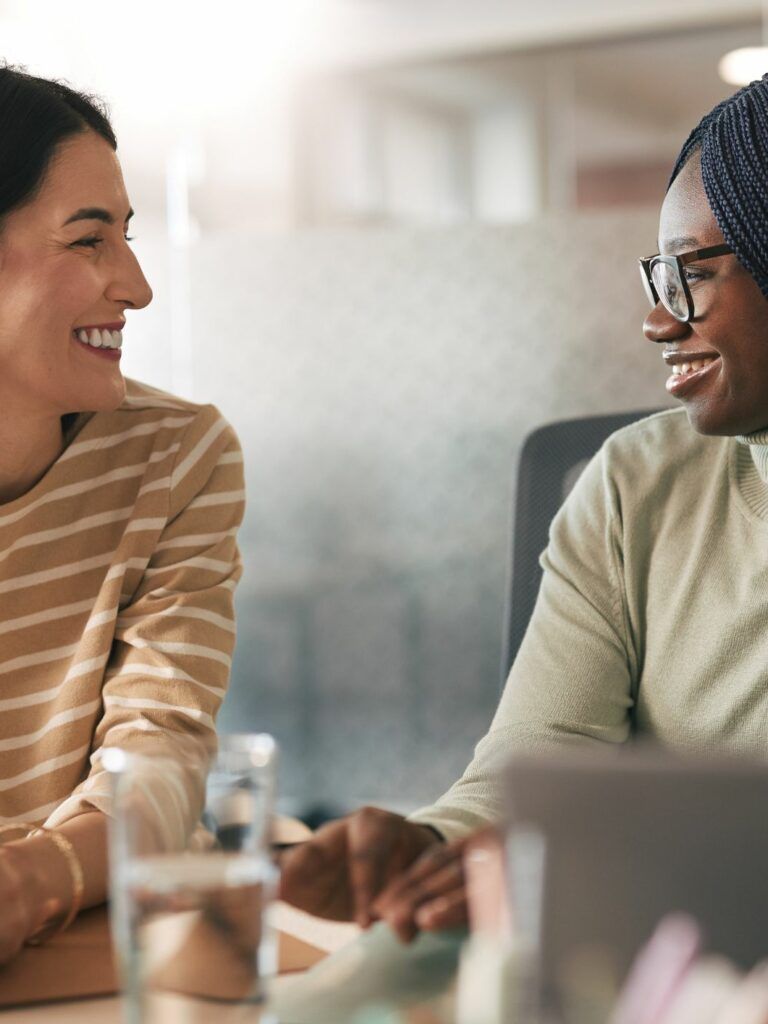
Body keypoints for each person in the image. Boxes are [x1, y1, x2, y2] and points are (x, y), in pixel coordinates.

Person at [280, 74, 768, 941]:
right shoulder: (634, 483)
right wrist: (433, 848)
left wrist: (595, 872)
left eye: (693, 274)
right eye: (659, 276)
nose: (658, 320)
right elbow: (538, 757)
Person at [0, 65, 244, 960]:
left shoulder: (175, 456)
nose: (136, 286)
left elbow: (162, 756)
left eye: (127, 238)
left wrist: (27, 884)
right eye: (88, 241)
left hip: (125, 947)